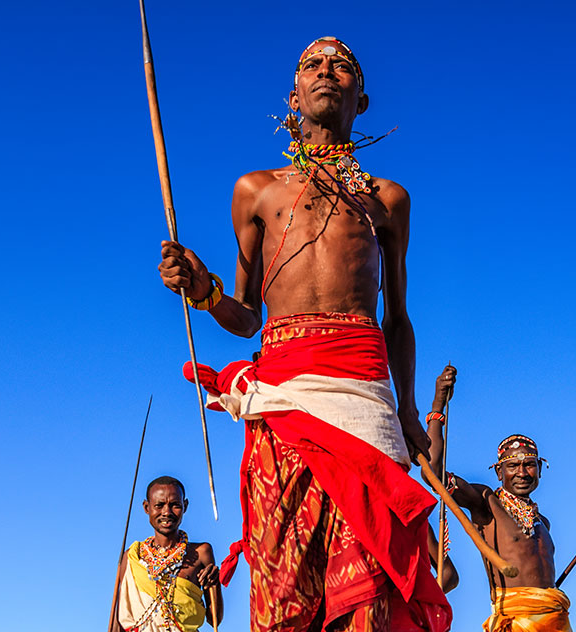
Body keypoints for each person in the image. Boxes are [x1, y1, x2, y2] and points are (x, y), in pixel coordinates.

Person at [157, 36, 449, 632]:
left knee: (367, 588)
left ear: (360, 99)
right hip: (286, 398)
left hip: (365, 401)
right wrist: (204, 288)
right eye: (312, 65)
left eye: (341, 66)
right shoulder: (257, 191)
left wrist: (412, 413)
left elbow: (397, 317)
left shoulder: (388, 200)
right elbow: (244, 316)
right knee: (283, 587)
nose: (326, 72)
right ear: (294, 96)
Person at [427, 365, 572, 632]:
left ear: (540, 468)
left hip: (556, 621)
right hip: (514, 622)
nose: (521, 472)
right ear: (498, 472)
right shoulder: (486, 502)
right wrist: (438, 405)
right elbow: (433, 474)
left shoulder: (544, 523)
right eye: (512, 466)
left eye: (529, 464)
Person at [110, 476, 223, 632]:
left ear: (185, 506)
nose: (166, 512)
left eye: (175, 505)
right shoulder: (132, 557)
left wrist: (214, 583)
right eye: (159, 505)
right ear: (146, 507)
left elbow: (214, 619)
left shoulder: (201, 552)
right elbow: (119, 620)